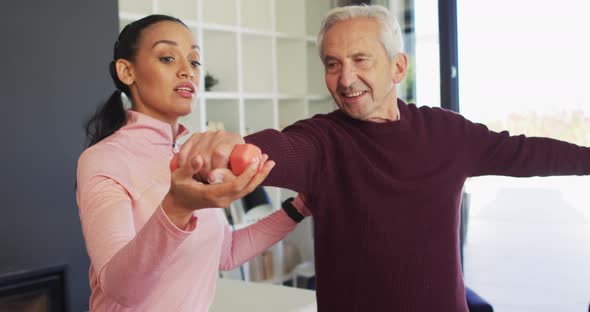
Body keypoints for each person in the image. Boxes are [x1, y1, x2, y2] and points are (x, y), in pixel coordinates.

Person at [176, 4, 590, 311]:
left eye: (360, 60)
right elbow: (276, 149)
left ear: (397, 67)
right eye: (332, 64)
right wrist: (228, 147)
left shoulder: (447, 132)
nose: (345, 79)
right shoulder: (322, 138)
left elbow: (525, 151)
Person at [76, 14, 309, 312]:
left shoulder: (191, 155)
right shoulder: (103, 159)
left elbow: (226, 252)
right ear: (126, 71)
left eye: (195, 62)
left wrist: (299, 207)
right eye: (168, 58)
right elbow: (122, 289)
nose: (187, 71)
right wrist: (176, 208)